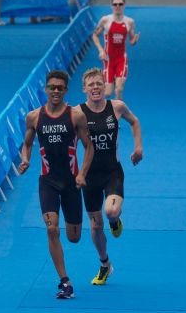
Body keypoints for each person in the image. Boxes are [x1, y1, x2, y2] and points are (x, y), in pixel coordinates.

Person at [18, 70, 94, 299]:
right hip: (48, 182)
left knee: (73, 237)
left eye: (60, 88)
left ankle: (73, 238)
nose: (56, 91)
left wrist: (82, 173)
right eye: (52, 87)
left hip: (72, 183)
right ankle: (65, 282)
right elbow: (27, 144)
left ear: (66, 90)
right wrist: (25, 159)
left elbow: (89, 146)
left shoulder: (76, 116)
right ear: (46, 89)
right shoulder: (34, 117)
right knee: (52, 229)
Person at [75, 68, 143, 285]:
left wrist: (138, 147)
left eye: (99, 83)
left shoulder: (117, 107)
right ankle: (105, 264)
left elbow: (135, 122)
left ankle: (115, 220)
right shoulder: (77, 113)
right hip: (89, 176)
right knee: (95, 226)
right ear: (84, 89)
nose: (95, 87)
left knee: (111, 210)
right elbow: (68, 140)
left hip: (112, 171)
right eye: (91, 84)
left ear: (104, 86)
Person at [92, 0, 140, 101]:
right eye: (115, 4)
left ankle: (118, 110)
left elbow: (131, 41)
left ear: (124, 5)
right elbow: (94, 35)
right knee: (108, 93)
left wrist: (134, 41)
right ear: (111, 6)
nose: (117, 6)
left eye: (120, 4)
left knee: (118, 89)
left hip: (121, 59)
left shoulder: (129, 22)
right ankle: (112, 80)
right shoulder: (105, 20)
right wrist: (100, 50)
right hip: (108, 59)